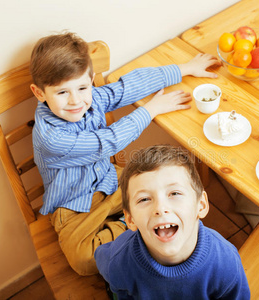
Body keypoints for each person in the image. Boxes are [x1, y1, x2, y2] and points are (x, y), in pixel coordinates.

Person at [29, 32, 221, 275]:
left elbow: (127, 87)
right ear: (39, 93)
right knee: (83, 260)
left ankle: (135, 230)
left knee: (167, 193)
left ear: (89, 81)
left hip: (112, 181)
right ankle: (134, 228)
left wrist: (185, 68)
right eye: (62, 92)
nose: (76, 100)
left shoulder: (91, 98)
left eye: (82, 87)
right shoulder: (51, 138)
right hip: (73, 207)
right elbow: (107, 142)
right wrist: (151, 109)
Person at [95, 145, 250, 299]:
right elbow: (102, 260)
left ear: (201, 205)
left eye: (174, 193)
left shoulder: (226, 263)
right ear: (130, 219)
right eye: (144, 199)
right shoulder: (119, 261)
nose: (160, 208)